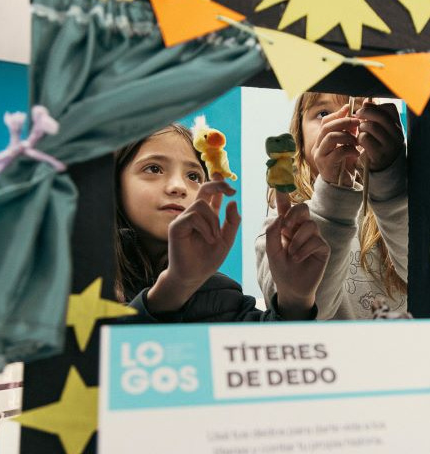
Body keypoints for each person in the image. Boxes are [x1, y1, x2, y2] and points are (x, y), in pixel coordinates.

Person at [114, 123, 329, 321]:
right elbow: (99, 344)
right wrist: (174, 289)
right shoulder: (95, 279)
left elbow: (262, 346)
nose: (178, 186)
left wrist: (295, 302)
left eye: (193, 176)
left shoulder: (220, 293)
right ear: (113, 184)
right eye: (153, 169)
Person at [255, 93, 409, 320]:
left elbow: (428, 275)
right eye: (323, 113)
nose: (341, 122)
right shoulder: (284, 220)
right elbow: (303, 314)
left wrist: (391, 180)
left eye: (356, 111)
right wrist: (333, 196)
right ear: (299, 136)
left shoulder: (399, 203)